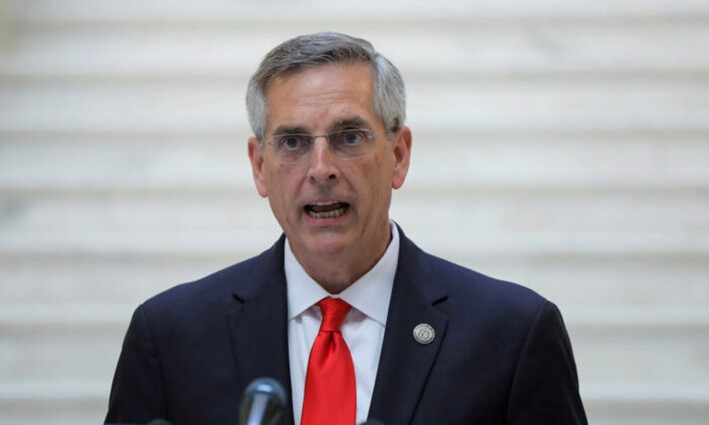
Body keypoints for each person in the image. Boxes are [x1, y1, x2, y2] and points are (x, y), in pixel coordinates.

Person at [105, 32, 587, 425]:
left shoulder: (511, 334)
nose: (321, 168)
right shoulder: (170, 337)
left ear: (398, 156)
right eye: (292, 142)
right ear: (259, 167)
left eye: (349, 137)